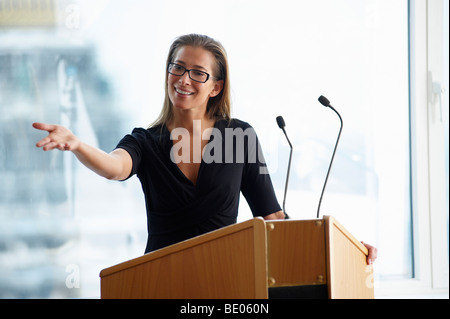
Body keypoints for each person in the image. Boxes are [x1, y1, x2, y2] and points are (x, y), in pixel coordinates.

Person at [33, 34, 377, 264]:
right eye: (178, 68)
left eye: (198, 73)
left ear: (216, 87)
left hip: (228, 280)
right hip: (160, 278)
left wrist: (343, 251)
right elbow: (114, 167)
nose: (183, 79)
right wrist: (77, 145)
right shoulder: (145, 141)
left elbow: (273, 218)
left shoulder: (239, 136)